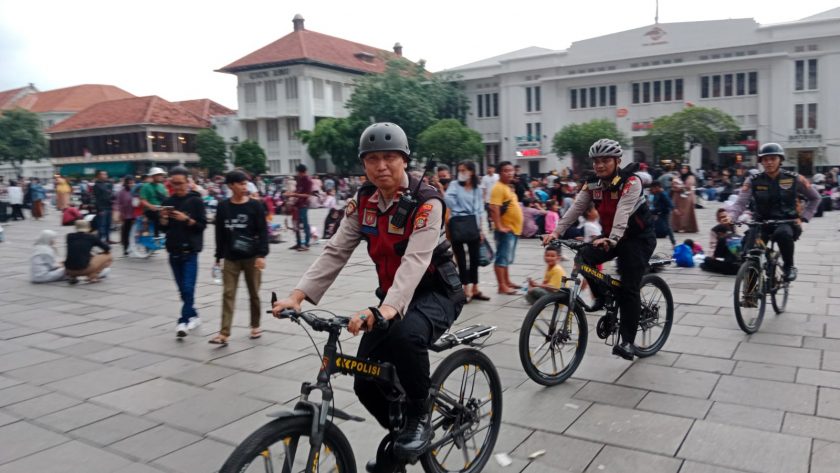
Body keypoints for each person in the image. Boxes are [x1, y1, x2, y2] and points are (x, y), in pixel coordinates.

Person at [271, 122, 464, 468]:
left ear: (404, 160)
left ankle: (419, 418)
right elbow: (336, 250)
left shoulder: (426, 201)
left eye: (389, 157)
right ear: (363, 164)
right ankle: (401, 441)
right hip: (390, 298)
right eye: (372, 159)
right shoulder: (363, 201)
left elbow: (415, 261)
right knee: (364, 382)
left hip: (437, 292)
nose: (381, 166)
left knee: (407, 336)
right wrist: (298, 295)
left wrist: (387, 310)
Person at [544, 139, 655, 361]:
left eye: (605, 161)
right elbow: (576, 209)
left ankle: (627, 342)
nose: (600, 166)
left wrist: (611, 239)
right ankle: (603, 296)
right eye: (596, 161)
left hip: (637, 239)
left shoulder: (631, 182)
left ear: (617, 161)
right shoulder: (592, 183)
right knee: (583, 257)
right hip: (610, 236)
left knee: (628, 288)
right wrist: (556, 233)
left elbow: (623, 213)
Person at [725, 143, 820, 282]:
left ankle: (789, 266)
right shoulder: (753, 180)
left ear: (780, 160)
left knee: (782, 234)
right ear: (761, 161)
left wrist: (804, 218)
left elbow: (815, 198)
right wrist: (731, 216)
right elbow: (740, 202)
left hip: (786, 222)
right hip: (761, 222)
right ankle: (750, 296)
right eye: (765, 159)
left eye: (773, 158)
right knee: (750, 253)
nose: (769, 162)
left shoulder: (795, 178)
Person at [211, 170, 269, 345]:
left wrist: (262, 254)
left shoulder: (255, 206)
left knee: (254, 293)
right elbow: (219, 233)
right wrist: (217, 257)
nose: (245, 187)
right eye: (241, 184)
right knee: (228, 293)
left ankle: (255, 325)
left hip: (252, 257)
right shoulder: (223, 207)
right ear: (231, 186)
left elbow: (263, 232)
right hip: (231, 257)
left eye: (246, 184)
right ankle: (224, 333)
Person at [157, 167, 207, 338]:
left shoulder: (196, 201)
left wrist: (186, 219)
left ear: (188, 182)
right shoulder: (167, 201)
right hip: (173, 251)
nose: (176, 187)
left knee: (187, 287)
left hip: (190, 252)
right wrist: (163, 218)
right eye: (173, 183)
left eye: (180, 183)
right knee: (183, 290)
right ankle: (194, 315)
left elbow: (202, 226)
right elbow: (163, 228)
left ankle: (183, 321)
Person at [445, 160, 489, 302]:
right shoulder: (454, 185)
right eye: (460, 170)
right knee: (461, 259)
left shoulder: (477, 187)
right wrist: (457, 204)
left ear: (472, 172)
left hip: (473, 224)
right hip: (457, 222)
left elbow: (480, 210)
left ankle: (475, 288)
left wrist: (481, 230)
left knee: (475, 259)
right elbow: (448, 200)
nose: (461, 173)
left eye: (464, 170)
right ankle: (466, 289)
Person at [490, 161, 524, 294]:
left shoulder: (508, 187)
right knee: (502, 258)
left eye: (511, 170)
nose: (510, 173)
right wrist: (499, 226)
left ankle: (507, 281)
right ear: (500, 172)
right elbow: (494, 208)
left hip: (513, 229)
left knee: (507, 257)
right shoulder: (498, 187)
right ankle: (502, 286)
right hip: (506, 229)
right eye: (506, 170)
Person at [65, 219, 112, 284]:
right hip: (84, 269)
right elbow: (107, 248)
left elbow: (78, 248)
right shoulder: (91, 237)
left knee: (78, 255)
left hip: (69, 270)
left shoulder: (69, 236)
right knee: (108, 255)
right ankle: (93, 275)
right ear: (88, 227)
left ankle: (73, 277)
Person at [287, 164, 313, 251]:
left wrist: (295, 194)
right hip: (297, 204)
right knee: (296, 224)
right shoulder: (299, 179)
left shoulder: (308, 181)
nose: (297, 174)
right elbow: (298, 190)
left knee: (305, 225)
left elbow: (307, 195)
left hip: (304, 205)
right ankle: (298, 243)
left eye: (298, 172)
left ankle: (306, 244)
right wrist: (291, 194)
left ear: (303, 172)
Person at [140, 167, 169, 236]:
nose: (161, 176)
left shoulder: (162, 186)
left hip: (162, 209)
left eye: (161, 175)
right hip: (150, 210)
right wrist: (151, 206)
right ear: (153, 176)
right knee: (158, 215)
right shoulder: (146, 186)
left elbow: (167, 198)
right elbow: (143, 200)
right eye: (158, 175)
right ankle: (156, 236)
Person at [671, 164, 699, 233]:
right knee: (676, 212)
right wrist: (678, 187)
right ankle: (676, 227)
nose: (684, 170)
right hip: (678, 197)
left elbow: (688, 186)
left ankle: (687, 227)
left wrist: (679, 187)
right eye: (682, 168)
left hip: (687, 198)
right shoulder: (678, 176)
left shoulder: (690, 177)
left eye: (685, 168)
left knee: (686, 213)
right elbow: (674, 185)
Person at [649, 181, 676, 247]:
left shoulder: (663, 194)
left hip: (664, 213)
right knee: (651, 226)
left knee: (667, 227)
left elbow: (669, 202)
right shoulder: (657, 193)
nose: (652, 190)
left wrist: (674, 209)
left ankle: (673, 242)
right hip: (658, 212)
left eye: (653, 188)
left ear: (657, 187)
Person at [116, 176, 136, 256]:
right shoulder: (121, 192)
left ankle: (134, 248)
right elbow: (118, 203)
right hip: (126, 215)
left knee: (134, 232)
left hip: (135, 215)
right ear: (126, 183)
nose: (131, 184)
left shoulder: (135, 191)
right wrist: (120, 214)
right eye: (130, 183)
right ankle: (125, 249)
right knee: (126, 232)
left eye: (132, 182)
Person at [92, 170, 114, 242]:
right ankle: (100, 241)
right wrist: (99, 209)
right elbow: (96, 198)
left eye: (106, 174)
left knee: (108, 224)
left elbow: (110, 195)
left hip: (109, 207)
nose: (105, 176)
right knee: (102, 225)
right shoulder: (96, 185)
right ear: (98, 176)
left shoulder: (107, 184)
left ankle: (108, 239)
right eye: (103, 174)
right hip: (102, 208)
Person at [480, 164, 499, 231]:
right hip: (488, 199)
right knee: (489, 214)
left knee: (497, 212)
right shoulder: (485, 178)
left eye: (491, 168)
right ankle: (490, 225)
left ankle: (497, 224)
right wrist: (484, 199)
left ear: (494, 169)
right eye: (488, 168)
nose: (489, 170)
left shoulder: (497, 176)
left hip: (497, 199)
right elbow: (484, 189)